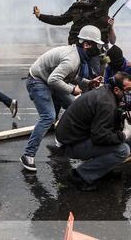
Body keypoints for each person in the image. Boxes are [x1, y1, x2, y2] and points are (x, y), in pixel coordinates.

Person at [20, 25, 105, 172]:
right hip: (38, 81)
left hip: (48, 79)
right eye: (96, 45)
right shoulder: (72, 58)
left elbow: (71, 75)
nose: (98, 49)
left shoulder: (78, 56)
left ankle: (63, 143)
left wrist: (88, 83)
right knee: (48, 117)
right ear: (86, 44)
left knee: (75, 108)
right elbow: (54, 80)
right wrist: (73, 89)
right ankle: (28, 155)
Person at [55, 72, 131, 191]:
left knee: (117, 139)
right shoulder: (106, 103)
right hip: (69, 144)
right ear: (116, 89)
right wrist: (124, 134)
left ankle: (101, 170)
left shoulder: (106, 92)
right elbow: (100, 137)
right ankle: (80, 175)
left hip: (73, 136)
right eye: (128, 90)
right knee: (123, 149)